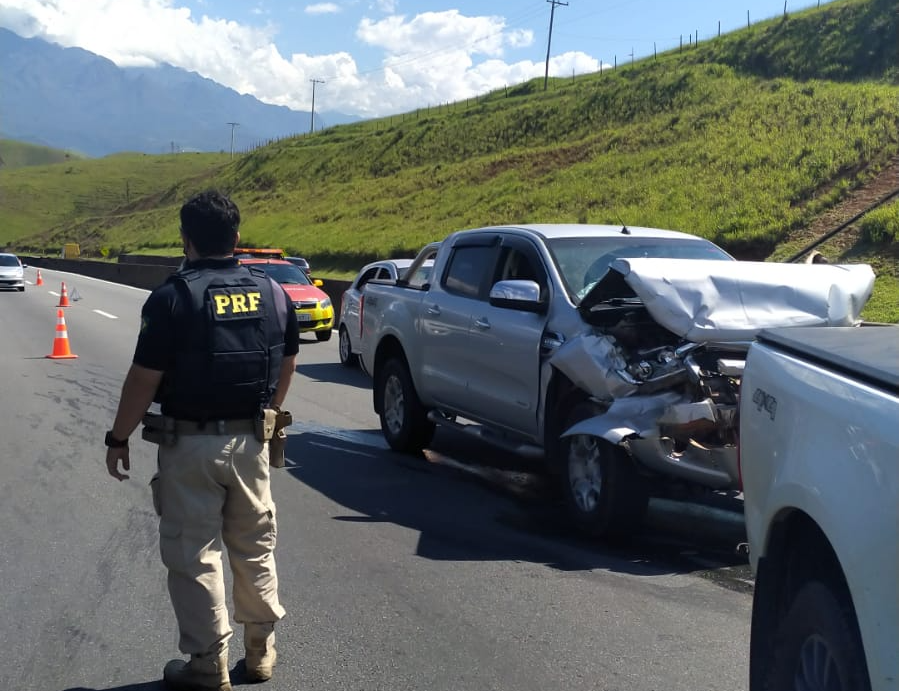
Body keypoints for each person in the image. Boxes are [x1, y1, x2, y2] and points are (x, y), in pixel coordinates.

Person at [104, 190, 299, 691]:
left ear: (185, 240)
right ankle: (260, 654)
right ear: (236, 237)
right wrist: (269, 412)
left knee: (195, 554)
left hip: (189, 445)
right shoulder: (273, 292)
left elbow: (144, 378)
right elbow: (288, 360)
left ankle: (208, 665)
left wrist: (118, 436)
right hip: (252, 443)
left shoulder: (173, 298)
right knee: (255, 547)